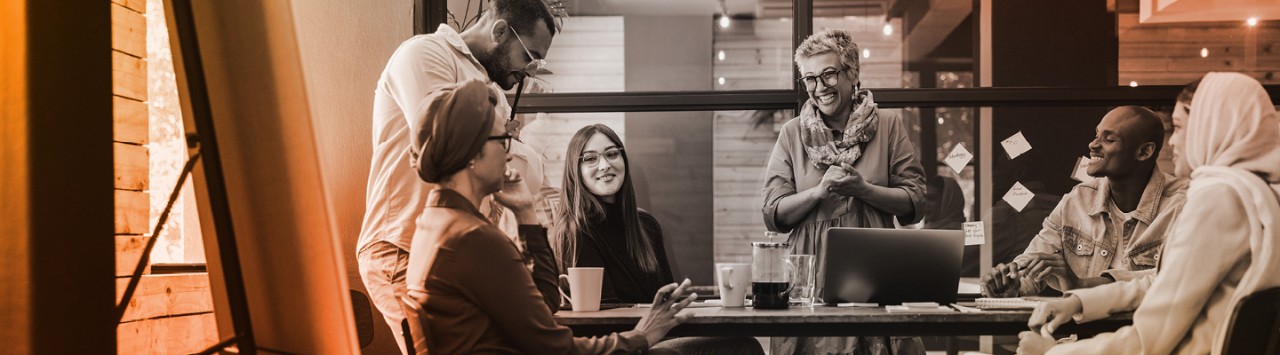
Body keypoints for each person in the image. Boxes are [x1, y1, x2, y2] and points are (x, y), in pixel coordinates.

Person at [401, 79, 697, 353]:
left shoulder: (436, 224)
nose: (508, 153)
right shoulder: (473, 239)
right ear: (472, 154)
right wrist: (641, 336)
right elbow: (555, 348)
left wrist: (525, 212)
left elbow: (545, 305)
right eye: (502, 140)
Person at [1018, 72, 1280, 355]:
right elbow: (1164, 282)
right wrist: (1081, 302)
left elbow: (1149, 339)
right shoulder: (1260, 194)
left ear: (1213, 126)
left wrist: (1050, 352)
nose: (1174, 143)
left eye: (1179, 128)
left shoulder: (1219, 197)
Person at [355, 0, 561, 348]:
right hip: (404, 247)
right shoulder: (425, 55)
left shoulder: (491, 89)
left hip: (457, 255)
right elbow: (449, 142)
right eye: (529, 56)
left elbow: (511, 174)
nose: (530, 71)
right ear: (499, 32)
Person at [761, 29, 927, 355]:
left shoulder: (889, 125)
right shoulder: (793, 134)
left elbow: (916, 201)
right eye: (809, 78)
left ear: (852, 74)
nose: (819, 87)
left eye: (828, 74)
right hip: (809, 278)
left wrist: (863, 189)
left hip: (878, 272)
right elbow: (772, 212)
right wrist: (818, 193)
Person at [979, 106, 1188, 297]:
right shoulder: (1077, 199)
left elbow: (1172, 280)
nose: (1093, 144)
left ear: (1144, 152)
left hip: (1147, 336)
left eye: (1109, 139)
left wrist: (1081, 285)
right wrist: (1011, 283)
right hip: (1079, 336)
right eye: (1096, 135)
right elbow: (1032, 266)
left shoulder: (1183, 205)